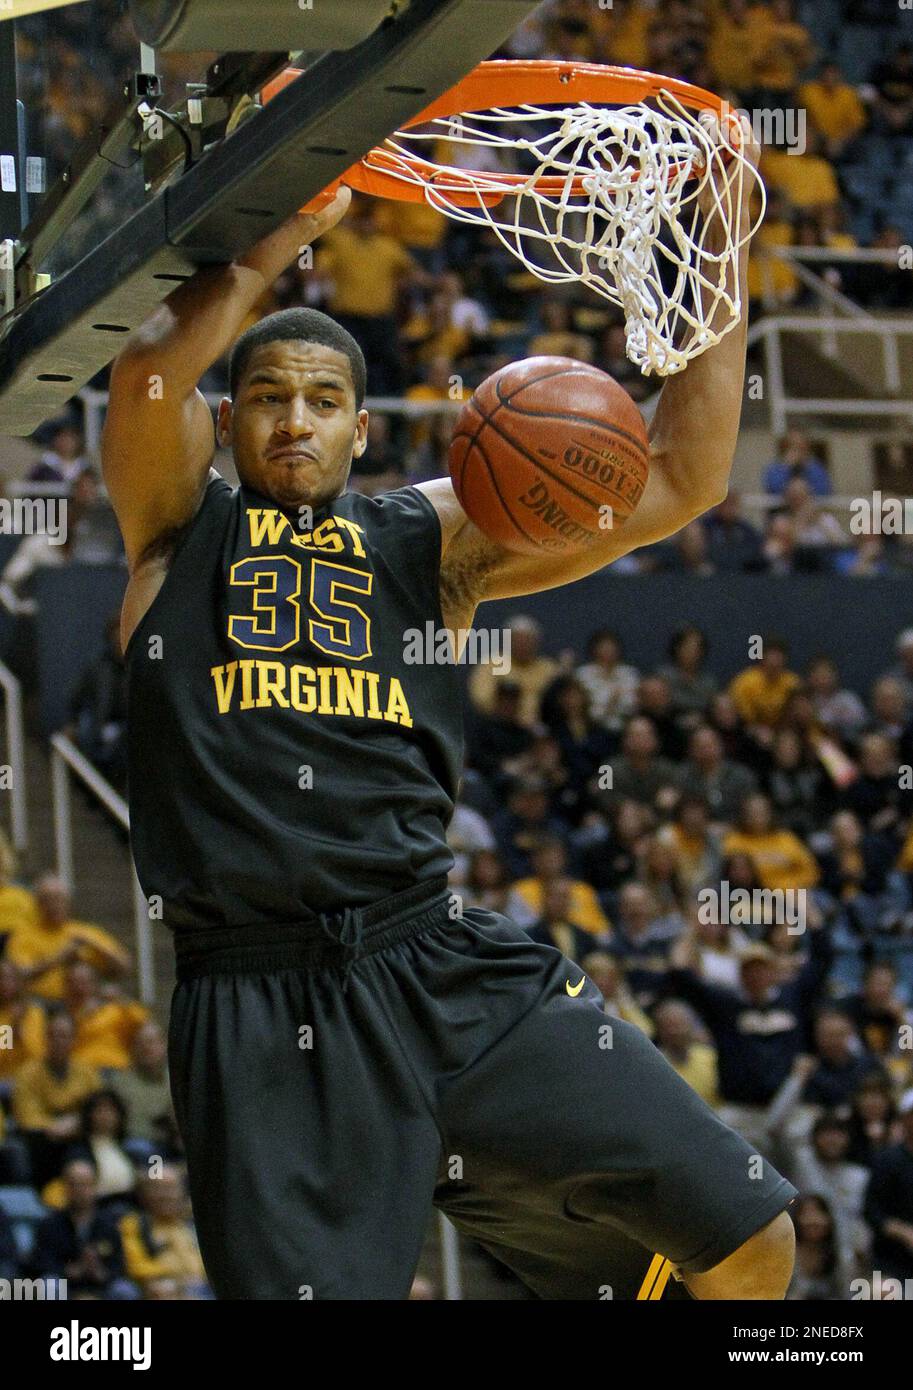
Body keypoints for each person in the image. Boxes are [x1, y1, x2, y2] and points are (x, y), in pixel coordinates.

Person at [101, 151, 796, 1301]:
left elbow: (683, 474)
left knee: (746, 1237)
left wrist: (714, 253)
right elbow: (141, 380)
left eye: (323, 402)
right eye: (269, 397)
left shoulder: (432, 543)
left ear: (363, 432)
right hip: (260, 1002)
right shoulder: (177, 535)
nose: (294, 421)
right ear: (228, 421)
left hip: (437, 960)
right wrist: (283, 232)